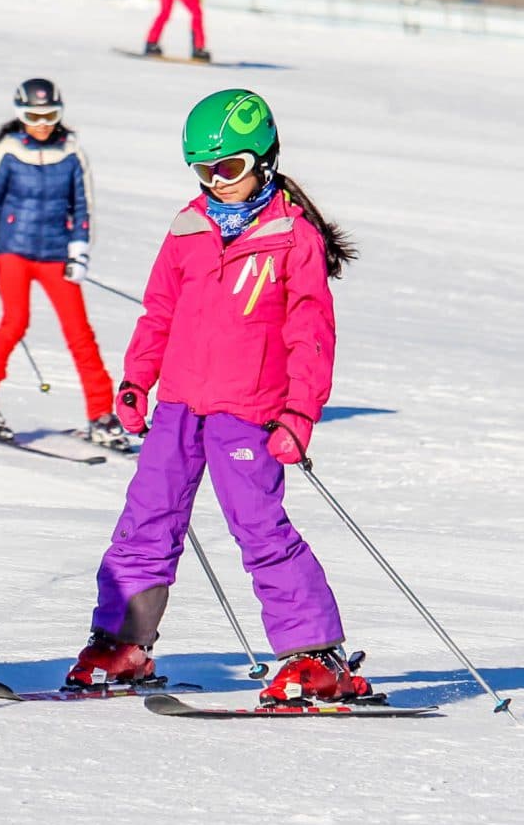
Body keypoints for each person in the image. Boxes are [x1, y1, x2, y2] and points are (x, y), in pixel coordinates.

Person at [68, 88, 370, 706]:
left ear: (264, 158)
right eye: (204, 170)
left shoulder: (292, 237)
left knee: (260, 530)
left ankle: (315, 656)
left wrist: (299, 413)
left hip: (250, 411)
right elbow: (159, 311)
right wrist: (136, 379)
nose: (216, 182)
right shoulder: (188, 227)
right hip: (179, 405)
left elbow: (311, 334)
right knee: (144, 522)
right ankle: (122, 642)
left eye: (228, 167)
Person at [0, 78, 126, 449]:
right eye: (32, 116)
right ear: (20, 115)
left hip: (56, 255)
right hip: (13, 250)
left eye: (49, 116)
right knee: (15, 321)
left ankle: (102, 416)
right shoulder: (9, 150)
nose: (41, 124)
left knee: (79, 332)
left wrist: (79, 250)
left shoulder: (71, 153)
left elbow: (83, 206)